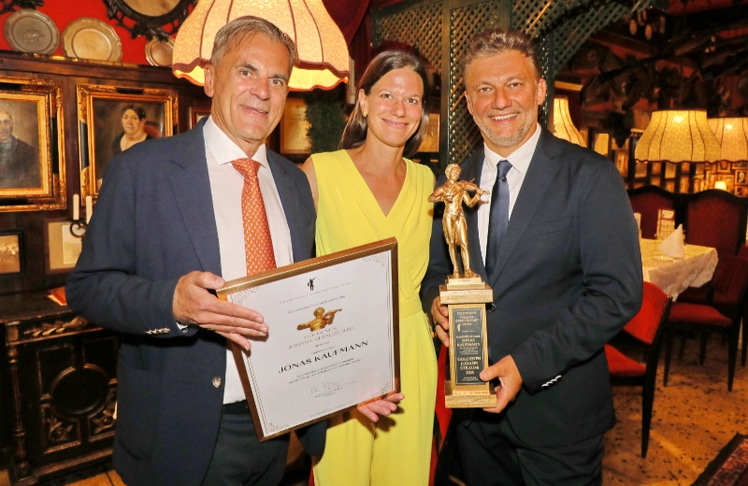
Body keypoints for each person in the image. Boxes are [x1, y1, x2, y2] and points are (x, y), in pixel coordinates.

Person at [66, 16, 325, 485]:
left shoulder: (295, 183)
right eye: (246, 71)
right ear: (209, 78)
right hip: (183, 428)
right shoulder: (141, 170)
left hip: (278, 421)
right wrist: (173, 303)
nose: (263, 91)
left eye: (277, 79)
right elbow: (87, 288)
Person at [421, 28, 643, 485]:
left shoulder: (590, 177)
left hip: (560, 420)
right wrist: (435, 303)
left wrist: (526, 364)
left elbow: (616, 295)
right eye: (485, 89)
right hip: (476, 420)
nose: (500, 100)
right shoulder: (453, 184)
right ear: (468, 102)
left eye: (514, 84)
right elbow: (438, 269)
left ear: (540, 90)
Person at [301, 50, 437, 485]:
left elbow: (436, 270)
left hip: (412, 351)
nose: (400, 109)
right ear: (362, 100)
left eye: (412, 99)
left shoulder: (428, 182)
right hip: (340, 348)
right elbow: (293, 277)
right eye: (387, 95)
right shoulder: (320, 172)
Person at [428, 163, 487, 278]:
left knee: (464, 243)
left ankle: (467, 269)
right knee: (451, 244)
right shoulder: (443, 188)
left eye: (457, 172)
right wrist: (444, 197)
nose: (456, 174)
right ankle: (455, 269)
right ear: (448, 173)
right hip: (449, 216)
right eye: (454, 171)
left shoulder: (461, 187)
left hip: (460, 216)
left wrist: (477, 195)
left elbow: (470, 204)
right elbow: (431, 198)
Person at [0, 106, 40, 188]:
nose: (2, 127)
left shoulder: (27, 150)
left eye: (6, 122)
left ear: (11, 125)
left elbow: (31, 182)